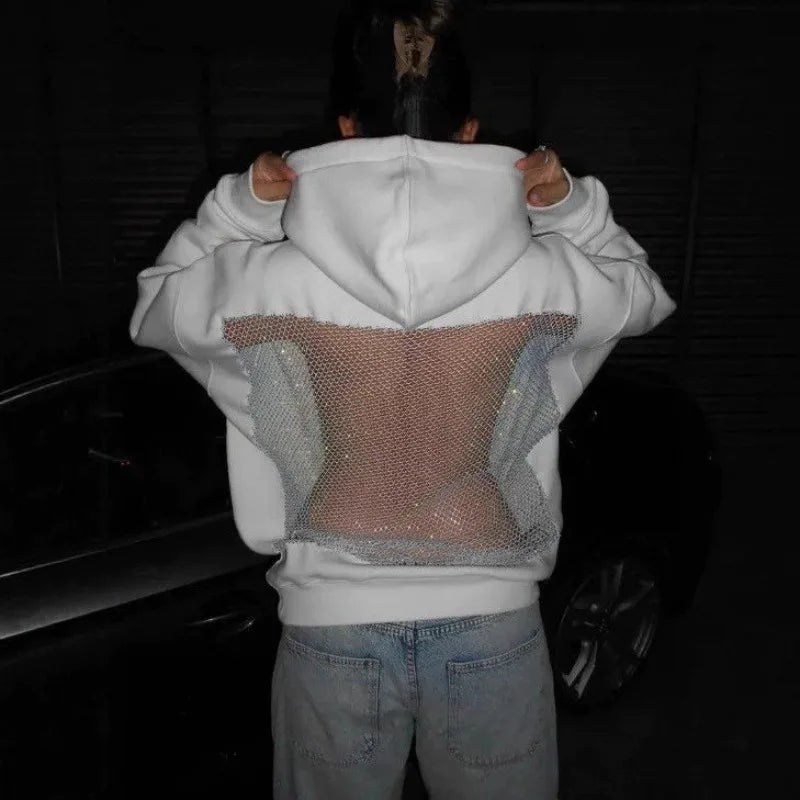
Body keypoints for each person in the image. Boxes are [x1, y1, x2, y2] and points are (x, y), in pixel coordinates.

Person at [130, 1, 676, 797]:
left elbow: (154, 306)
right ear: (470, 133)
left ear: (346, 129)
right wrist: (570, 208)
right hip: (492, 618)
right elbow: (645, 294)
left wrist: (240, 207)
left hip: (332, 626)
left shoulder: (268, 282)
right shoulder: (542, 275)